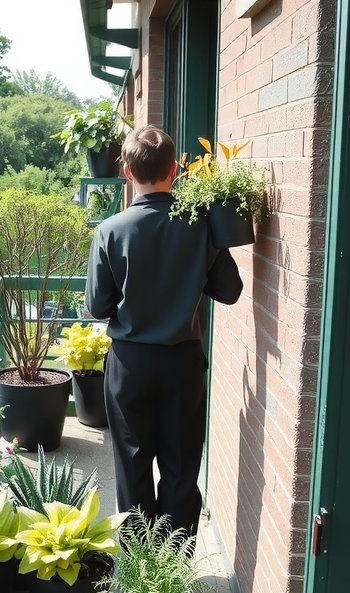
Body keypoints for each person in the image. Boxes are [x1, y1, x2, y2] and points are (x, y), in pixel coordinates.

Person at [85, 125, 243, 537]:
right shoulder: (201, 225)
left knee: (133, 468)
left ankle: (141, 572)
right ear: (174, 169)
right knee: (180, 469)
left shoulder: (110, 231)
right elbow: (230, 292)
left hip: (130, 365)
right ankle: (171, 572)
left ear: (126, 171)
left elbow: (97, 307)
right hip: (182, 364)